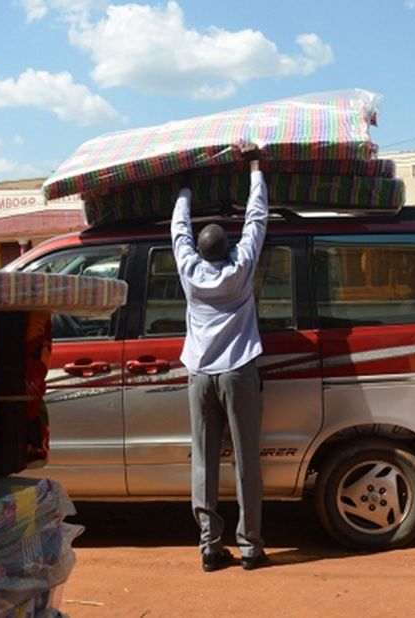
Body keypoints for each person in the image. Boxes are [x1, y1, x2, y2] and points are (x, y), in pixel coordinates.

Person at [171, 142, 269, 573]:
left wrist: (185, 188)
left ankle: (210, 546)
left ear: (199, 250)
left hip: (200, 375)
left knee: (204, 461)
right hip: (238, 372)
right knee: (246, 459)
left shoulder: (189, 272)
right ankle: (250, 547)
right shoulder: (241, 268)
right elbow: (257, 220)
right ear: (227, 249)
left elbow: (178, 231)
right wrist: (254, 169)